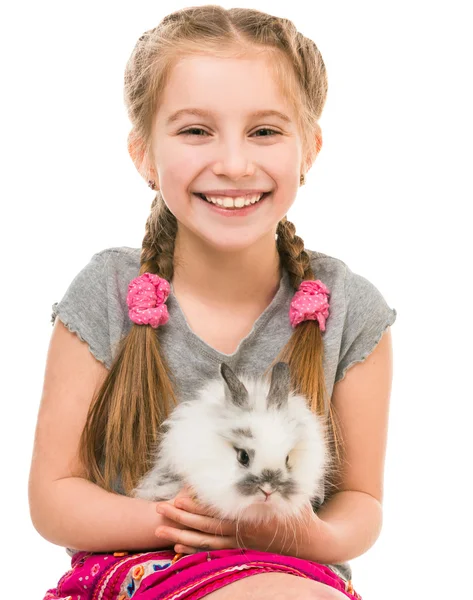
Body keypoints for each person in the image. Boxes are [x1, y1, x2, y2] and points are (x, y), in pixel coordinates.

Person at [29, 5, 397, 600]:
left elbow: (362, 504)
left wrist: (271, 533)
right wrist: (178, 520)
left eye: (265, 130)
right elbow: (53, 497)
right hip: (139, 568)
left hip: (294, 569)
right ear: (144, 154)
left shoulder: (351, 308)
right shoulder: (106, 291)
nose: (233, 164)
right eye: (197, 130)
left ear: (311, 149)